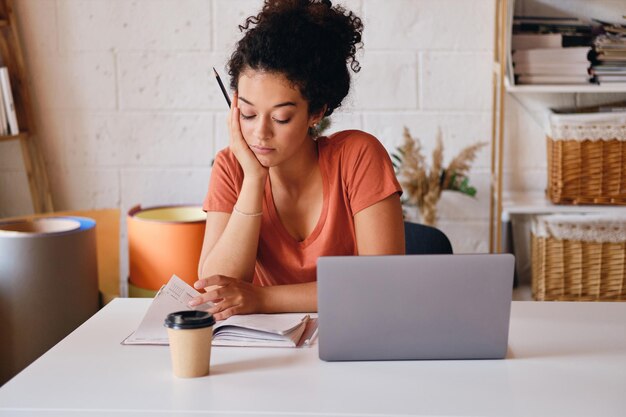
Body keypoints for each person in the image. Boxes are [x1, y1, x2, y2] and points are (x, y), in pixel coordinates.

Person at [190, 0, 405, 320]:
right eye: (247, 113)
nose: (260, 133)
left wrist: (262, 299)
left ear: (316, 112)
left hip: (352, 337)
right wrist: (253, 180)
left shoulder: (358, 157)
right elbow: (215, 290)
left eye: (281, 118)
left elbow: (382, 285)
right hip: (266, 352)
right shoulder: (231, 168)